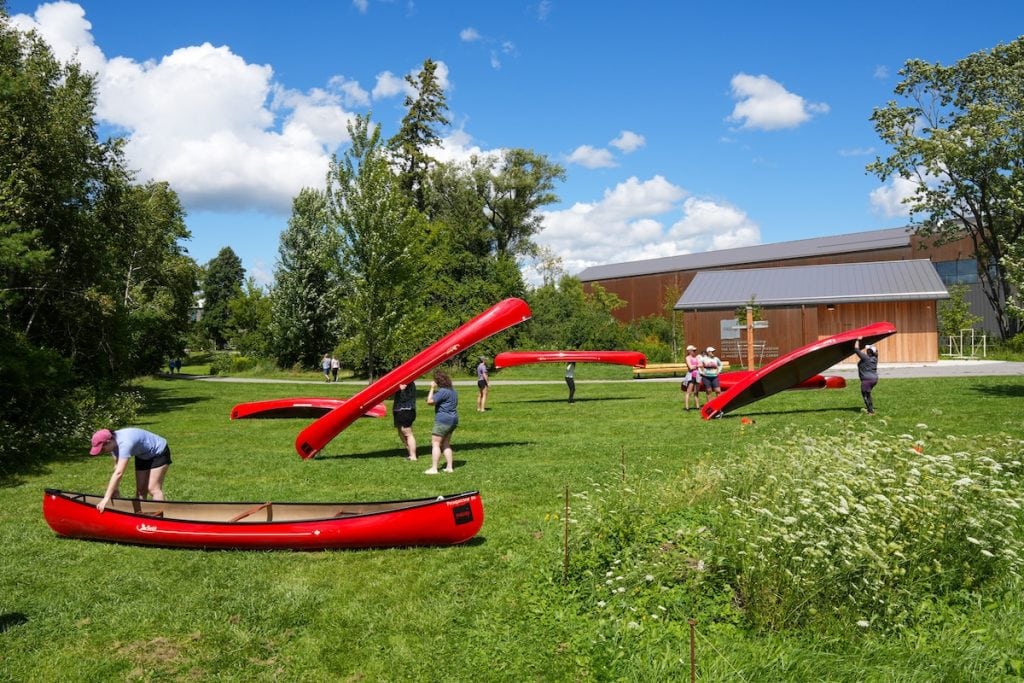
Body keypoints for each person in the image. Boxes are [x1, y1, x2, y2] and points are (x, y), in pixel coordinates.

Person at [89, 427, 171, 513]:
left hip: (158, 451)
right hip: (142, 454)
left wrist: (106, 498)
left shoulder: (125, 443)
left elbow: (119, 473)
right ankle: (140, 516)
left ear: (108, 442)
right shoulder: (113, 444)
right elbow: (117, 467)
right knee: (141, 490)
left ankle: (160, 517)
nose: (102, 452)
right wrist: (115, 489)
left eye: (102, 449)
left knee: (153, 488)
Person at [424, 370, 458, 474]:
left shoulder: (442, 391)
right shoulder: (453, 391)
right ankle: (449, 467)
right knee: (446, 443)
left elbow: (430, 402)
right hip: (453, 419)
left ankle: (434, 468)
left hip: (443, 420)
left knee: (436, 443)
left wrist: (432, 388)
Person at [853, 338, 879, 415]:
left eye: (867, 349)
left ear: (869, 352)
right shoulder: (875, 358)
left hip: (867, 380)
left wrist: (857, 340)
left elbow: (856, 349)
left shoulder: (866, 358)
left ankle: (870, 412)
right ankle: (870, 409)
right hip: (874, 379)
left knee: (865, 395)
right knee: (868, 394)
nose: (866, 350)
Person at [393, 381, 417, 460]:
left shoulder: (409, 384)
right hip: (399, 411)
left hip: (406, 410)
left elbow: (405, 398)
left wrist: (402, 390)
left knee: (407, 433)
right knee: (401, 433)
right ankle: (410, 452)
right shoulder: (402, 382)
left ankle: (413, 456)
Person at [682, 345, 702, 411]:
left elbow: (701, 365)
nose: (694, 352)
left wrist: (695, 366)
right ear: (689, 351)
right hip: (691, 376)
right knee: (689, 392)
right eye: (693, 350)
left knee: (696, 392)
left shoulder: (697, 358)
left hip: (697, 376)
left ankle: (697, 406)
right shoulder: (687, 358)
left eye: (695, 350)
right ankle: (687, 407)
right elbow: (690, 367)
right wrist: (697, 365)